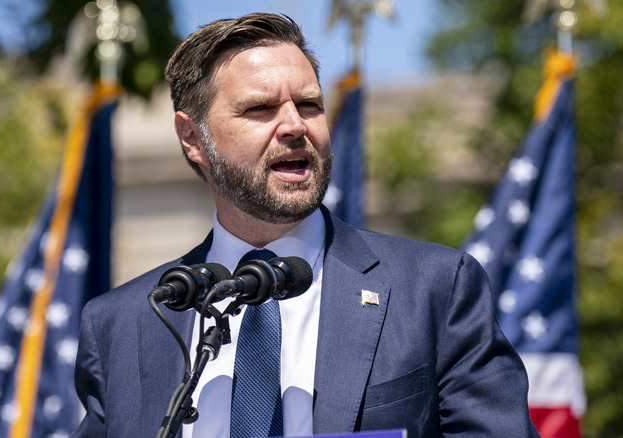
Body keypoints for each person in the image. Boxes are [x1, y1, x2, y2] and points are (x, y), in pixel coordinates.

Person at [72, 13, 540, 438]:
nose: (295, 125)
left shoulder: (434, 289)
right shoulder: (123, 321)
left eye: (310, 104)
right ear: (193, 138)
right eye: (260, 109)